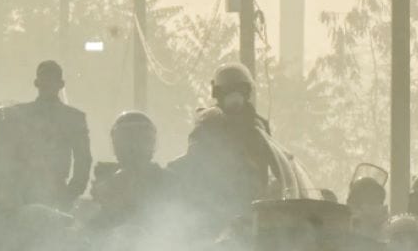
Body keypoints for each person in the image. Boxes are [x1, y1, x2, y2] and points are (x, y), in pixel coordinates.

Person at [171, 63, 285, 228]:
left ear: (247, 92)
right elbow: (194, 159)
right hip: (216, 206)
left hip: (255, 206)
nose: (235, 96)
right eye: (229, 90)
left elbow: (276, 159)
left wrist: (284, 181)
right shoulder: (209, 123)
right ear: (219, 94)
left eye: (240, 89)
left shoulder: (258, 125)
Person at [0, 61, 92, 211]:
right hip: (23, 190)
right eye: (45, 79)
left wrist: (72, 192)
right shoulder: (19, 113)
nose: (48, 84)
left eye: (52, 79)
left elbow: (83, 158)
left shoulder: (73, 118)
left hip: (57, 189)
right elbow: (6, 151)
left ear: (61, 84)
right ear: (36, 83)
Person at [90, 111, 168, 230]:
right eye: (129, 139)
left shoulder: (167, 181)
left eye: (143, 140)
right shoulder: (105, 185)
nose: (135, 146)